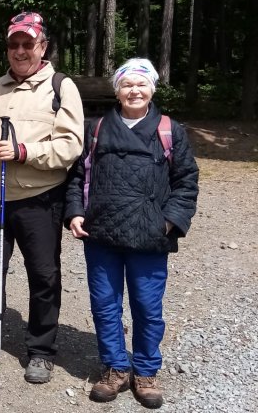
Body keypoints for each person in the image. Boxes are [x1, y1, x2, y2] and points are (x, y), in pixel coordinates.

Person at [0, 11, 84, 383]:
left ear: (43, 46)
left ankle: (41, 351)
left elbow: (71, 146)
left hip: (39, 200)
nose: (21, 50)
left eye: (29, 43)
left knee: (43, 276)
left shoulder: (60, 86)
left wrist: (25, 152)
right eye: (15, 44)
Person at [64, 58, 198, 409]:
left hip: (149, 237)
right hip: (101, 234)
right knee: (104, 305)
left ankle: (146, 371)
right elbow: (76, 177)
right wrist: (75, 212)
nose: (134, 91)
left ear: (152, 88)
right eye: (127, 84)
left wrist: (168, 222)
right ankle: (115, 367)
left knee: (147, 308)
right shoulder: (96, 129)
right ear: (117, 90)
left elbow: (186, 182)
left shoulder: (169, 130)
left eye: (141, 84)